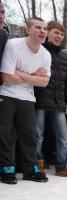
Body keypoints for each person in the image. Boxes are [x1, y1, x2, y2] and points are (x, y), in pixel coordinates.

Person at [0, 17, 51, 184]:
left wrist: (21, 74)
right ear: (28, 30)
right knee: (6, 134)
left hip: (28, 97)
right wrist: (33, 76)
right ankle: (7, 168)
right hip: (6, 94)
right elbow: (6, 77)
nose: (43, 31)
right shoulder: (14, 44)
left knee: (29, 135)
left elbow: (44, 82)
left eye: (45, 28)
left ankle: (30, 170)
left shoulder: (46, 55)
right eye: (38, 27)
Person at [34, 21, 67, 178]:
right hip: (40, 99)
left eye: (61, 34)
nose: (59, 36)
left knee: (63, 135)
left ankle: (61, 167)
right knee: (38, 134)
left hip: (59, 102)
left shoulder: (65, 56)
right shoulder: (39, 50)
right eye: (56, 32)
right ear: (48, 33)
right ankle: (37, 164)